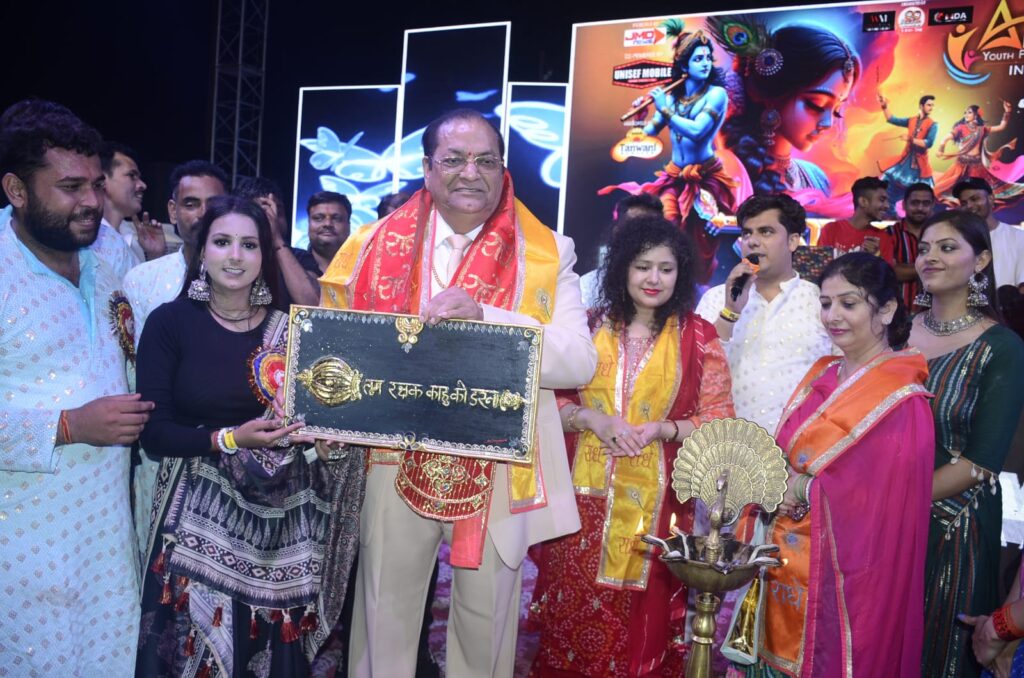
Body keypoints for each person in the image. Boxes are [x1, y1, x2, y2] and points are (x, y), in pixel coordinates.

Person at [319, 108, 595, 678]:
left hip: (498, 456)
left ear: (502, 169)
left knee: (485, 627)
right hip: (392, 454)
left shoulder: (547, 251)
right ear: (427, 168)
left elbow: (578, 359)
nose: (471, 172)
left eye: (486, 160)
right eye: (454, 159)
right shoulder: (369, 246)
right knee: (383, 615)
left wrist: (487, 317)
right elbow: (339, 345)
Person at [134, 195, 365, 677]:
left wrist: (325, 445)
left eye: (249, 244)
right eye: (222, 242)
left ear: (265, 255)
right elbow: (155, 434)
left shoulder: (293, 334)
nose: (235, 256)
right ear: (201, 251)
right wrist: (232, 439)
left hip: (282, 539)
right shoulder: (169, 323)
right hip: (196, 528)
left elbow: (316, 430)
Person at [529, 216, 734, 677]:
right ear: (623, 268)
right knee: (573, 602)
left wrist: (665, 429)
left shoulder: (699, 338)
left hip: (657, 506)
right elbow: (546, 398)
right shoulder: (585, 327)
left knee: (643, 613)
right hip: (579, 499)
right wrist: (589, 418)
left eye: (666, 268)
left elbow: (719, 418)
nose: (653, 279)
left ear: (681, 274)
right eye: (643, 266)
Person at [0, 98, 153, 675]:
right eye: (70, 187)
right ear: (17, 190)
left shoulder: (107, 262)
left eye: (94, 184)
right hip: (19, 546)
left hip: (104, 543)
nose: (91, 201)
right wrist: (68, 426)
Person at [746, 252, 933, 677]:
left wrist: (798, 488)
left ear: (886, 310)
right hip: (782, 559)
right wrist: (770, 481)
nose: (833, 316)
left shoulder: (902, 398)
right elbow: (784, 450)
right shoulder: (822, 375)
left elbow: (879, 500)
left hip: (847, 578)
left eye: (849, 303)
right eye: (826, 303)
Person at [909, 209, 1024, 678]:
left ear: (980, 262)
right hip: (882, 522)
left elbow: (982, 463)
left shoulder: (1002, 347)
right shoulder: (894, 333)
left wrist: (893, 499)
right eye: (924, 248)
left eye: (947, 247)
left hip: (954, 525)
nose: (930, 257)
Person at [123, 159, 228, 561]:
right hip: (158, 457)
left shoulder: (249, 279)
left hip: (230, 459)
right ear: (172, 211)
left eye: (213, 203)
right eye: (190, 203)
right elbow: (131, 371)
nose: (202, 213)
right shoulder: (142, 280)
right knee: (157, 567)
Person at [601, 22, 735, 285]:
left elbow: (696, 131)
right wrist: (640, 117)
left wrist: (664, 109)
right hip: (674, 176)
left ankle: (694, 289)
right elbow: (649, 132)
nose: (705, 64)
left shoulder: (717, 94)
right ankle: (658, 282)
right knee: (666, 224)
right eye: (698, 59)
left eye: (708, 58)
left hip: (705, 178)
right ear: (684, 65)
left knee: (701, 243)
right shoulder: (672, 97)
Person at [695, 194, 832, 433]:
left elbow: (845, 377)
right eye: (747, 233)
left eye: (766, 232)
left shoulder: (821, 302)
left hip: (804, 449)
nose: (753, 242)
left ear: (793, 241)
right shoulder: (715, 299)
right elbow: (694, 372)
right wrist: (730, 311)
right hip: (728, 446)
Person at [712, 19, 860, 196]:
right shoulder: (726, 174)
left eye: (836, 111)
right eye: (816, 105)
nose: (828, 123)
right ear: (773, 91)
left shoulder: (816, 178)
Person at [234, 176, 320, 306]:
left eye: (278, 212)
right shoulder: (232, 255)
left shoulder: (300, 257)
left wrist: (277, 241)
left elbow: (313, 305)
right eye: (264, 212)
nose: (273, 218)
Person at [580, 192, 664, 309]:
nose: (643, 235)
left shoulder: (673, 284)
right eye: (634, 227)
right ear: (617, 232)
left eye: (651, 229)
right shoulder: (589, 285)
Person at [934, 102, 1024, 206]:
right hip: (961, 165)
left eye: (969, 112)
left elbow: (1001, 127)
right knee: (947, 188)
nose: (966, 115)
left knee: (983, 191)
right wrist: (941, 148)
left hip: (977, 166)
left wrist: (1007, 112)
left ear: (976, 115)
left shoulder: (982, 129)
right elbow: (946, 138)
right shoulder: (961, 128)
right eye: (965, 113)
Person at [100, 141, 166, 265]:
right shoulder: (86, 239)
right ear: (102, 180)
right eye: (132, 176)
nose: (143, 185)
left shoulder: (131, 240)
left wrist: (155, 255)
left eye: (139, 177)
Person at [953, 177, 1024, 292]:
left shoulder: (1018, 237)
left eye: (975, 199)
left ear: (991, 199)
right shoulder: (955, 240)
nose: (969, 206)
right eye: (964, 203)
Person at [877, 95, 938, 209]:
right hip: (905, 161)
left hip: (919, 165)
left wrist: (911, 139)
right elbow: (892, 119)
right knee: (890, 189)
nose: (931, 108)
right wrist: (884, 106)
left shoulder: (933, 125)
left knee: (917, 195)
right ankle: (890, 212)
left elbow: (929, 143)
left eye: (932, 105)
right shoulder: (912, 120)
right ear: (921, 106)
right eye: (929, 105)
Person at [818, 176, 896, 264]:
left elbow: (886, 272)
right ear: (863, 202)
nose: (887, 206)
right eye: (882, 200)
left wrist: (877, 256)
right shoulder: (831, 230)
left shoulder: (884, 238)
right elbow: (821, 267)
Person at [888, 182, 936, 309]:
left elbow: (949, 271)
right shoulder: (889, 234)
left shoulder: (941, 235)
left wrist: (904, 268)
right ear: (904, 205)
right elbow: (891, 273)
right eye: (914, 203)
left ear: (933, 205)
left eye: (926, 203)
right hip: (897, 312)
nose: (920, 208)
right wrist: (932, 268)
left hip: (934, 313)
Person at [294, 190, 351, 276]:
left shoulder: (364, 269)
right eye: (318, 218)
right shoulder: (290, 264)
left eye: (336, 218)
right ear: (308, 224)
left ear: (348, 225)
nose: (327, 224)